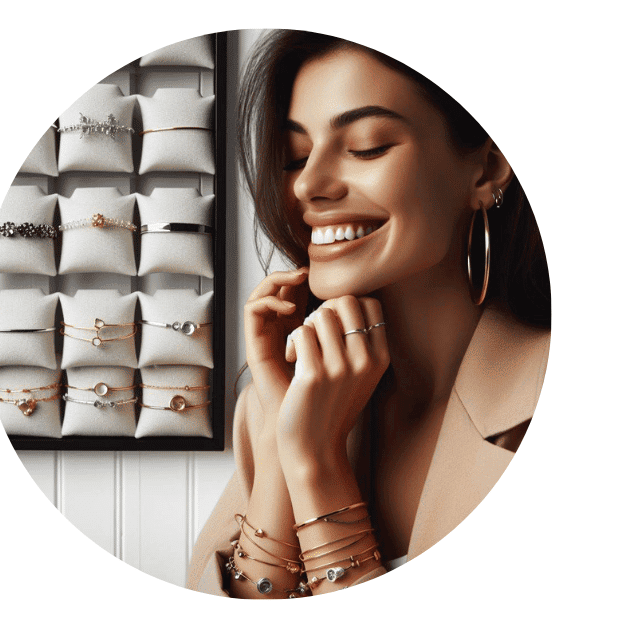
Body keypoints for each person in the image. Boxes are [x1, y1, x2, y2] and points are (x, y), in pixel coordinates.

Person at [186, 30, 551, 598]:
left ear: (486, 170)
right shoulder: (269, 407)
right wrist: (285, 446)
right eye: (296, 156)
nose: (309, 184)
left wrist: (316, 464)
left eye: (367, 146)